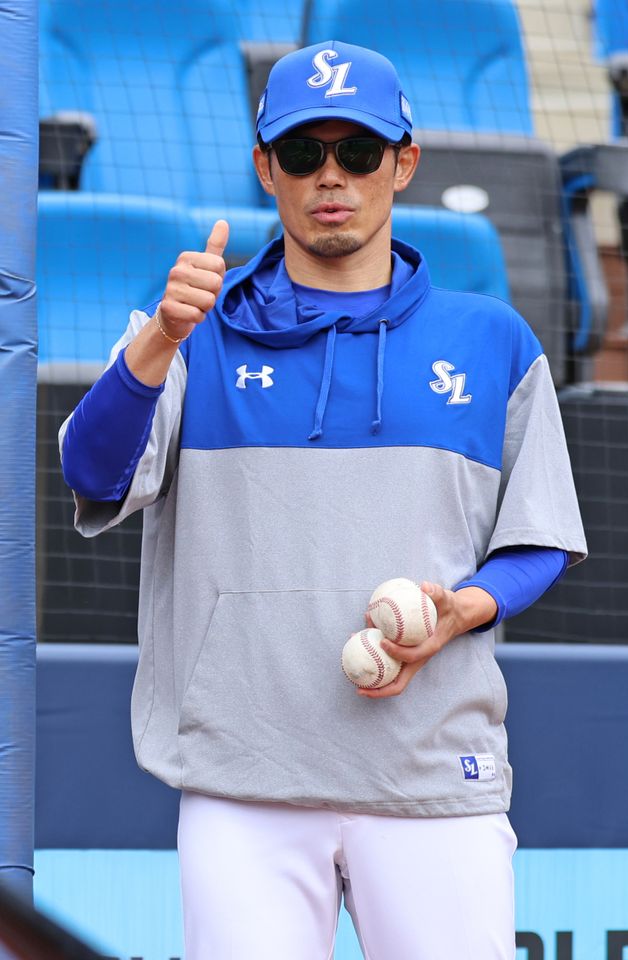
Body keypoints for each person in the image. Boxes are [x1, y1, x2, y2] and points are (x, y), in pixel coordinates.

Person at [60, 40, 587, 960]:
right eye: (303, 152)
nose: (331, 176)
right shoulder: (193, 331)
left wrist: (460, 610)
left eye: (359, 151)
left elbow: (538, 539)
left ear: (404, 163)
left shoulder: (494, 339)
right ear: (267, 168)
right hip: (243, 780)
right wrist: (157, 342)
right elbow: (92, 473)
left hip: (433, 776)